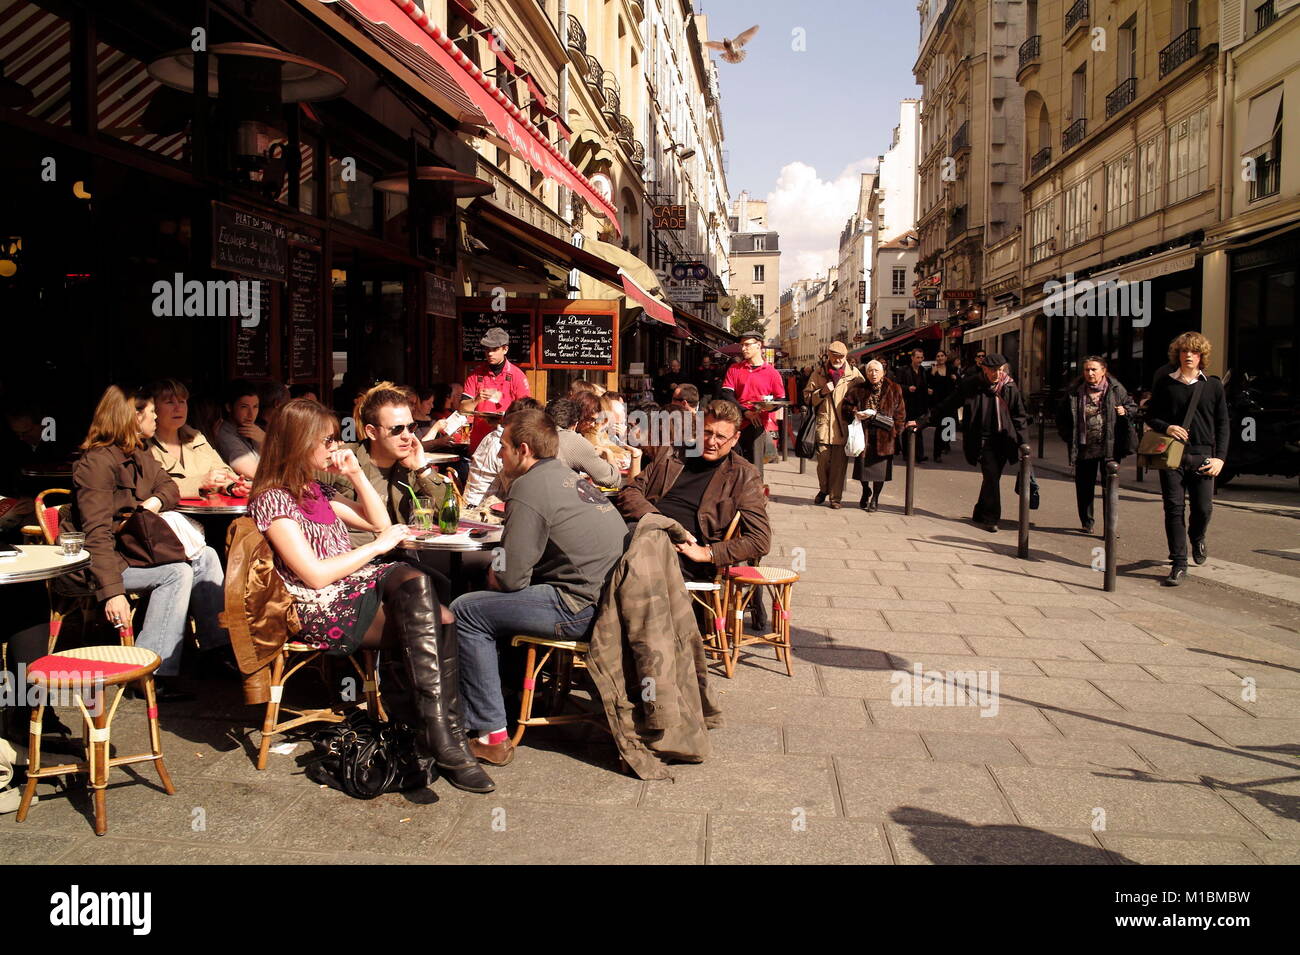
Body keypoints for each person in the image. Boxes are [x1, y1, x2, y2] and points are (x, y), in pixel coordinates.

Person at [248, 398, 493, 793]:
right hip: (319, 606)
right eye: (327, 440)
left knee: (424, 593)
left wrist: (356, 473)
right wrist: (377, 549)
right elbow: (314, 576)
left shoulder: (315, 489)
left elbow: (378, 522)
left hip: (351, 587)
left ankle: (439, 735)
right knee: (434, 611)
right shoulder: (274, 499)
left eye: (335, 439)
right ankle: (444, 738)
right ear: (298, 442)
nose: (335, 446)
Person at [451, 408, 627, 766]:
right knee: (488, 603)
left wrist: (492, 573)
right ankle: (510, 693)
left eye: (503, 446)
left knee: (466, 610)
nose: (499, 454)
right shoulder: (566, 475)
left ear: (524, 449)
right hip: (610, 600)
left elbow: (510, 578)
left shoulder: (527, 488)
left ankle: (491, 736)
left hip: (578, 608)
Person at [65, 386, 231, 699]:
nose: (156, 417)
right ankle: (150, 673)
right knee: (176, 573)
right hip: (104, 562)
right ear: (132, 416)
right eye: (152, 412)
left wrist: (152, 503)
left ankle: (215, 651)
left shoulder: (138, 453)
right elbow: (96, 536)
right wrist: (113, 593)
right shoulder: (96, 464)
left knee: (206, 555)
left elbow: (169, 487)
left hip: (135, 548)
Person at [617, 399, 771, 585]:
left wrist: (708, 552)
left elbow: (759, 540)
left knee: (634, 558)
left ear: (735, 439)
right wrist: (660, 521)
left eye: (721, 437)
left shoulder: (744, 475)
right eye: (707, 432)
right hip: (648, 531)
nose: (711, 442)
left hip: (685, 553)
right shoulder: (672, 452)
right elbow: (630, 492)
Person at [318, 383, 451, 548]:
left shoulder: (410, 467)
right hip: (352, 554)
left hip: (399, 554)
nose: (407, 436)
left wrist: (422, 468)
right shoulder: (341, 460)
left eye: (411, 427)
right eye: (397, 429)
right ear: (372, 432)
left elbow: (448, 516)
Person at [1144, 333, 1230, 587]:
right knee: (1174, 508)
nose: (1188, 355)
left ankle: (1197, 536)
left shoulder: (1213, 386)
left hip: (1203, 455)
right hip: (1172, 455)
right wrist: (1168, 427)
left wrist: (1220, 459)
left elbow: (1223, 425)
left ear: (1202, 356)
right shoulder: (1165, 383)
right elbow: (1150, 416)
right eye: (1184, 351)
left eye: (1194, 351)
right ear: (1178, 355)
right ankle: (1179, 563)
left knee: (1203, 508)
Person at [923, 354, 1029, 532]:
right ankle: (991, 517)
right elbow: (949, 404)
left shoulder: (1009, 386)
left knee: (992, 478)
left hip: (1004, 439)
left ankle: (980, 510)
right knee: (991, 476)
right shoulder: (972, 385)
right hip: (982, 440)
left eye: (1000, 370)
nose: (997, 374)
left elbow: (1019, 416)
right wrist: (923, 421)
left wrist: (1024, 443)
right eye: (993, 370)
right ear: (984, 369)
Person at [1056, 356, 1137, 534]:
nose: (1090, 373)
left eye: (1094, 369)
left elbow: (1132, 407)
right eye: (1087, 370)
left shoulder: (1116, 389)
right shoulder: (1075, 391)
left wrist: (1125, 410)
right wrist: (1069, 437)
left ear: (1103, 371)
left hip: (1109, 446)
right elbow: (1061, 417)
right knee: (1084, 486)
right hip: (1085, 446)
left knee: (1110, 488)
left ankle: (1110, 528)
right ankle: (1087, 522)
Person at [146, 378, 249, 499]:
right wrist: (199, 482)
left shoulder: (196, 437)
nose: (178, 408)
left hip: (208, 509)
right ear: (153, 408)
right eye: (169, 402)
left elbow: (221, 470)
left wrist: (233, 486)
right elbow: (151, 486)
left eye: (182, 401)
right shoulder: (144, 444)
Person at [802, 341, 864, 509]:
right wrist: (821, 392)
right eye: (834, 356)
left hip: (843, 426)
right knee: (822, 462)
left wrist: (857, 408)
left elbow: (863, 394)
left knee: (839, 465)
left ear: (846, 356)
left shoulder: (854, 374)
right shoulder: (819, 373)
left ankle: (835, 498)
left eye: (841, 357)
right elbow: (807, 397)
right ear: (829, 355)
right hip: (824, 425)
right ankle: (824, 489)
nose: (838, 360)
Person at [841, 359, 907, 511]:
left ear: (883, 372)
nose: (873, 374)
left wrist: (896, 431)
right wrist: (855, 413)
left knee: (880, 472)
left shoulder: (894, 388)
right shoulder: (859, 389)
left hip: (884, 435)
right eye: (870, 371)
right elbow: (846, 407)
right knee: (862, 469)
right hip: (864, 434)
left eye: (876, 371)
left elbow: (900, 413)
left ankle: (875, 498)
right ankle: (866, 490)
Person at [719, 333, 784, 481]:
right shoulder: (735, 368)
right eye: (742, 345)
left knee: (755, 467)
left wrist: (767, 408)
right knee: (733, 465)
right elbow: (726, 394)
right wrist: (745, 412)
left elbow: (780, 399)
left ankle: (755, 493)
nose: (743, 348)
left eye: (747, 344)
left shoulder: (772, 373)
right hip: (735, 422)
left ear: (758, 345)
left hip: (758, 424)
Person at [459, 327, 531, 452]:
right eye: (487, 349)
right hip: (479, 443)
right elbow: (462, 409)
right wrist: (476, 400)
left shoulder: (517, 376)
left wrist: (503, 408)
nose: (490, 353)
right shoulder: (475, 375)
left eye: (495, 349)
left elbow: (526, 413)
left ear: (505, 349)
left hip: (507, 444)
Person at [462, 396, 542, 508]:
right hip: (480, 511)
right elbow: (517, 492)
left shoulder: (498, 437)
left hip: (484, 507)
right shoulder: (501, 444)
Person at [547, 397, 623, 488]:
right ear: (576, 424)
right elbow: (613, 480)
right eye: (591, 419)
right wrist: (609, 454)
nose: (593, 425)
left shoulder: (535, 434)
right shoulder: (574, 441)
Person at [212, 379, 262, 479]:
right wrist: (266, 441)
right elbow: (254, 473)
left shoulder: (255, 430)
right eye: (244, 407)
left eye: (255, 407)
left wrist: (264, 439)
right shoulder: (225, 435)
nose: (251, 414)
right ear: (229, 407)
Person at [896, 348, 933, 462]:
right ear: (912, 358)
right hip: (907, 404)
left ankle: (919, 454)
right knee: (907, 428)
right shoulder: (903, 370)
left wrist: (927, 390)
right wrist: (907, 388)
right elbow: (897, 386)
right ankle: (907, 454)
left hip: (919, 404)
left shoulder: (922, 370)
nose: (920, 360)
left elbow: (924, 384)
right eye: (917, 357)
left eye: (921, 357)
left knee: (919, 428)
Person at [929, 350, 958, 463]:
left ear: (945, 358)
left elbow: (959, 383)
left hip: (949, 402)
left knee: (949, 425)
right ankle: (937, 454)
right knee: (939, 428)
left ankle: (945, 445)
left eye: (942, 356)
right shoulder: (932, 370)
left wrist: (955, 378)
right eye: (938, 356)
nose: (940, 358)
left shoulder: (951, 369)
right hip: (938, 404)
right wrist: (932, 374)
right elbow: (928, 384)